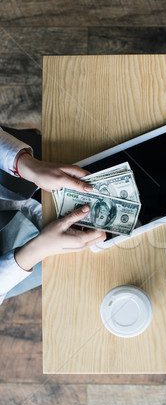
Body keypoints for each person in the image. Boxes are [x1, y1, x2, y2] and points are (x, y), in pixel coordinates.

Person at [0, 126, 106, 303]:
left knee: (59, 154)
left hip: (16, 175)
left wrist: (28, 165)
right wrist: (39, 249)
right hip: (17, 254)